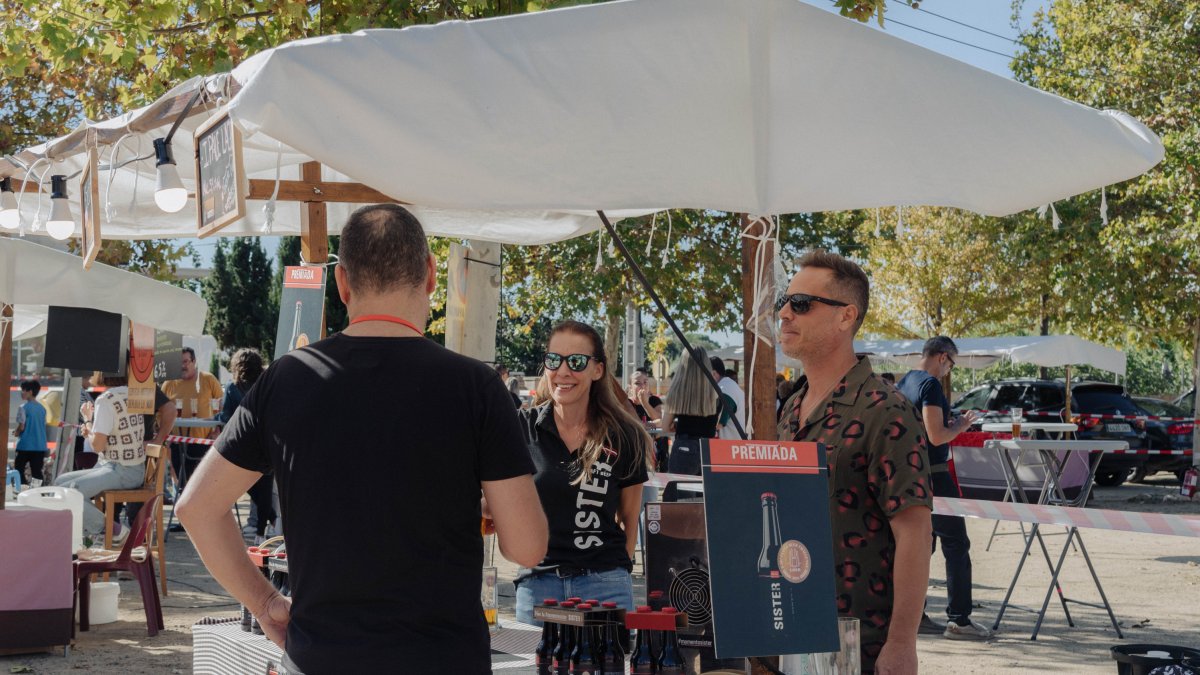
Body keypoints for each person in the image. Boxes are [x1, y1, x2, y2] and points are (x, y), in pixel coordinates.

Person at [176, 204, 547, 673]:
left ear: (342, 283)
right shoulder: (477, 388)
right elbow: (527, 547)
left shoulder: (287, 379)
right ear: (431, 275)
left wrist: (266, 602)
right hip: (442, 658)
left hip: (321, 658)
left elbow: (195, 508)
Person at [776, 250, 932, 675]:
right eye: (783, 302)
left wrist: (902, 643)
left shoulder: (885, 409)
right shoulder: (791, 409)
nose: (786, 314)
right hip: (792, 628)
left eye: (801, 304)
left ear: (846, 317)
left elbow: (915, 533)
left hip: (862, 644)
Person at [512, 320, 651, 624]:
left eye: (576, 361)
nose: (563, 371)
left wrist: (620, 568)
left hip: (604, 585)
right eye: (553, 360)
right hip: (538, 584)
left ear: (597, 370)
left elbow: (630, 518)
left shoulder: (624, 434)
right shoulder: (520, 427)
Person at [895, 336, 990, 640]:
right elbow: (936, 435)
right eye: (951, 363)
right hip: (935, 474)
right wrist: (960, 425)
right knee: (956, 545)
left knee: (921, 546)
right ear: (942, 356)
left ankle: (916, 614)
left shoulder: (905, 381)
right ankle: (959, 619)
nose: (949, 370)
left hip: (911, 475)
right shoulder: (930, 385)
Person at [54, 368, 146, 545]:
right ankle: (92, 534)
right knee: (60, 485)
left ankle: (110, 531)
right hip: (131, 468)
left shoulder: (105, 400)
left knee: (70, 493)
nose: (91, 373)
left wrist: (88, 420)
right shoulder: (133, 393)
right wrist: (90, 431)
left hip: (119, 469)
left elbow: (97, 446)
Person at [216, 348, 276, 540]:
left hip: (243, 445)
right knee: (265, 487)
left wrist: (215, 416)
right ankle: (264, 529)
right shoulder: (266, 383)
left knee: (244, 486)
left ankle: (268, 524)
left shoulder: (233, 387)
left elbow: (226, 416)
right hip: (268, 440)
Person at [162, 347, 223, 496]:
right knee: (183, 486)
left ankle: (199, 517)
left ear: (194, 362)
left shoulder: (208, 379)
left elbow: (222, 407)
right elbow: (161, 411)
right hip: (178, 443)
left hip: (203, 442)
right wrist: (165, 437)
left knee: (201, 487)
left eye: (185, 361)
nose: (182, 366)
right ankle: (186, 518)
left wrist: (218, 432)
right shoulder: (169, 383)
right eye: (179, 363)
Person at [663, 347, 719, 475]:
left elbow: (665, 427)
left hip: (684, 448)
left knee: (679, 493)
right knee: (705, 494)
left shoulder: (677, 392)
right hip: (708, 450)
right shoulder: (715, 393)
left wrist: (677, 425)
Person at [13, 380, 48, 485]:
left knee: (18, 469)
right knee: (37, 471)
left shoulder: (23, 408)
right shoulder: (42, 409)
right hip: (40, 446)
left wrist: (16, 432)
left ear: (30, 391)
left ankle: (22, 488)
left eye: (24, 390)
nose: (21, 393)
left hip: (25, 445)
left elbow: (22, 426)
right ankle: (36, 492)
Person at [710, 357, 746, 440]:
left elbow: (718, 424)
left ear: (713, 373)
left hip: (730, 446)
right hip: (736, 445)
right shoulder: (729, 385)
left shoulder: (724, 390)